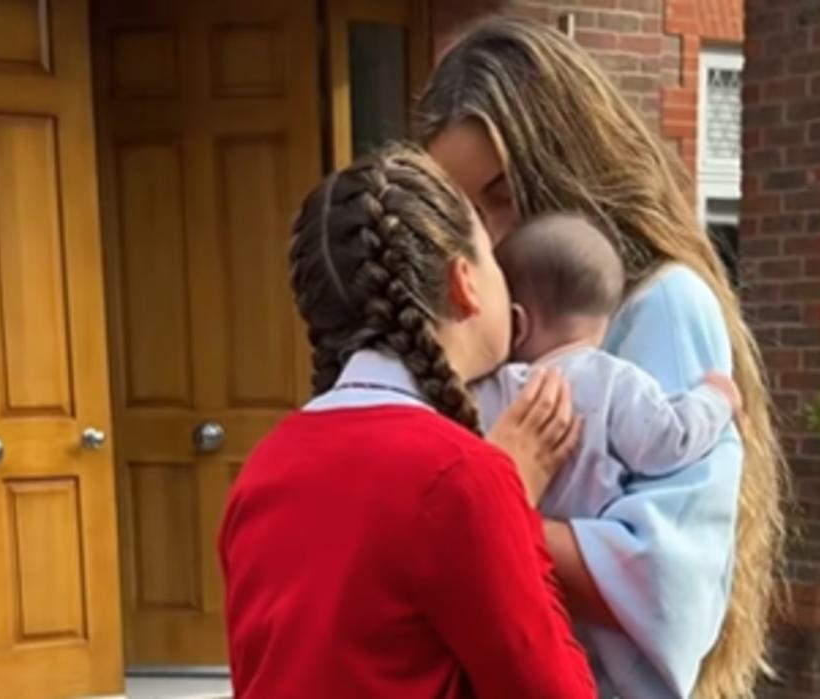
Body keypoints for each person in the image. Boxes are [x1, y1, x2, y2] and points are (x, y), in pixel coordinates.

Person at [418, 17, 788, 699]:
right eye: (459, 208)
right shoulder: (487, 324)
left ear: (565, 164)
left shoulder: (664, 306)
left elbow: (665, 575)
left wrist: (472, 510)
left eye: (501, 194)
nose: (482, 236)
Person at [218, 145, 596, 699]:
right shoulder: (463, 477)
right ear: (464, 281)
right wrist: (510, 496)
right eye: (494, 257)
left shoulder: (261, 470)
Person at [475, 212, 743, 524]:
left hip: (516, 542)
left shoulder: (494, 387)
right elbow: (669, 441)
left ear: (517, 323)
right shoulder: (614, 381)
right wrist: (717, 399)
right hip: (585, 553)